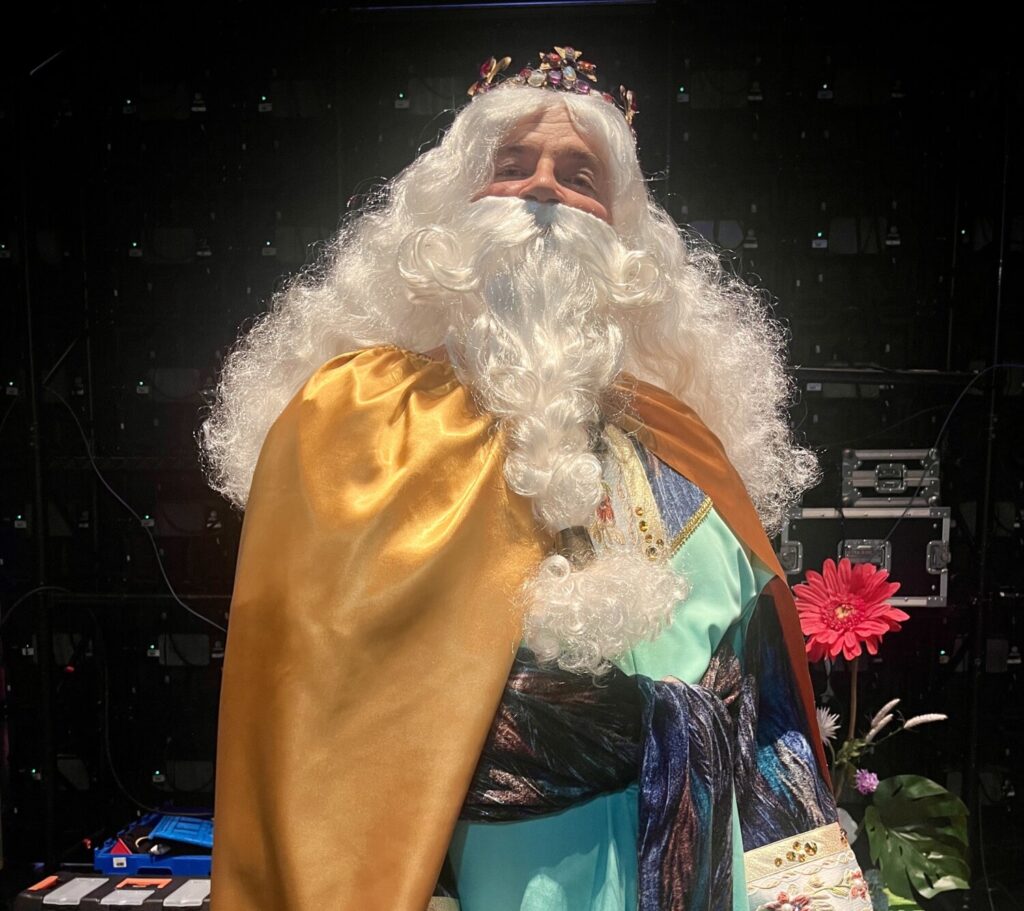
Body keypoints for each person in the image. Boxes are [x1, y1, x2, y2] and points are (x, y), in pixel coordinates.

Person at [200, 45, 870, 911]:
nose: (544, 189)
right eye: (511, 165)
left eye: (579, 174)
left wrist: (818, 896)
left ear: (625, 237)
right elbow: (316, 730)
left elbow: (767, 718)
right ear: (447, 213)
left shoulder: (681, 446)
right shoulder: (360, 421)